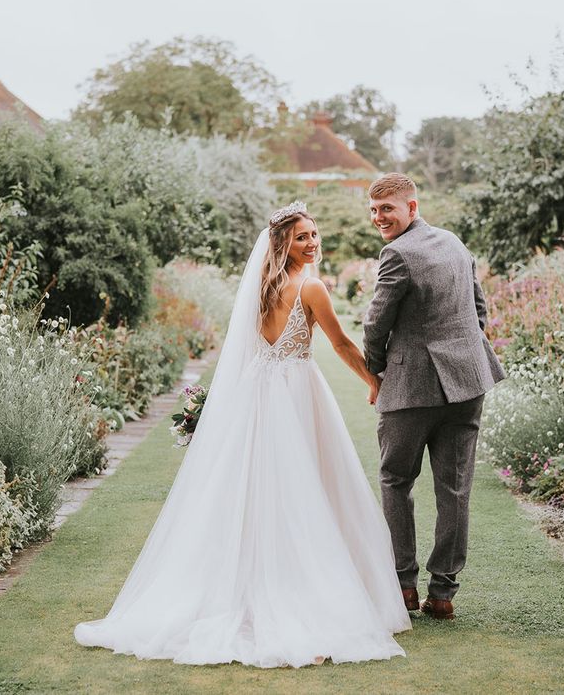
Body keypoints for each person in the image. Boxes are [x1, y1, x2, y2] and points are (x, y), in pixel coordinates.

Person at [74, 201, 411, 668]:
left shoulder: (259, 285)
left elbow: (244, 347)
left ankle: (243, 582)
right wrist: (373, 380)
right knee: (303, 484)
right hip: (295, 389)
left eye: (314, 234)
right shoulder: (312, 287)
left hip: (255, 391)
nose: (312, 243)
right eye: (302, 237)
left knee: (252, 485)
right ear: (283, 244)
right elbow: (341, 344)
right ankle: (296, 586)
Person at [363, 174, 506, 621]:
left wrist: (376, 370)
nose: (378, 218)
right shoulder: (454, 242)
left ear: (411, 206)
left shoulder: (396, 254)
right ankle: (442, 595)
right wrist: (464, 354)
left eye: (387, 209)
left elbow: (374, 325)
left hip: (412, 389)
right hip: (468, 382)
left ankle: (404, 587)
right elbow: (479, 309)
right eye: (373, 210)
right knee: (455, 488)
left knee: (395, 480)